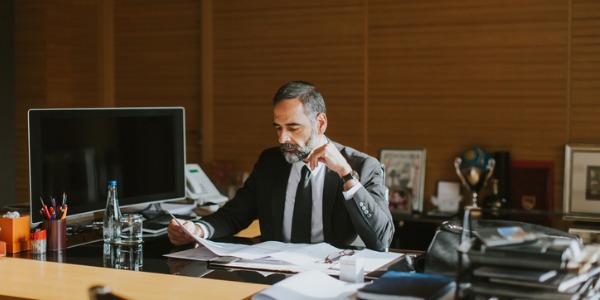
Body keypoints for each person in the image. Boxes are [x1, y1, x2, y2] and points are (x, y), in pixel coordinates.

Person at [168, 81, 394, 251]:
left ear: (320, 123)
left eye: (293, 128)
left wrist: (346, 175)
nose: (282, 138)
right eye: (278, 128)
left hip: (332, 281)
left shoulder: (362, 166)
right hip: (274, 276)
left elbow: (381, 239)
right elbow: (235, 214)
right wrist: (198, 230)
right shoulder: (270, 162)